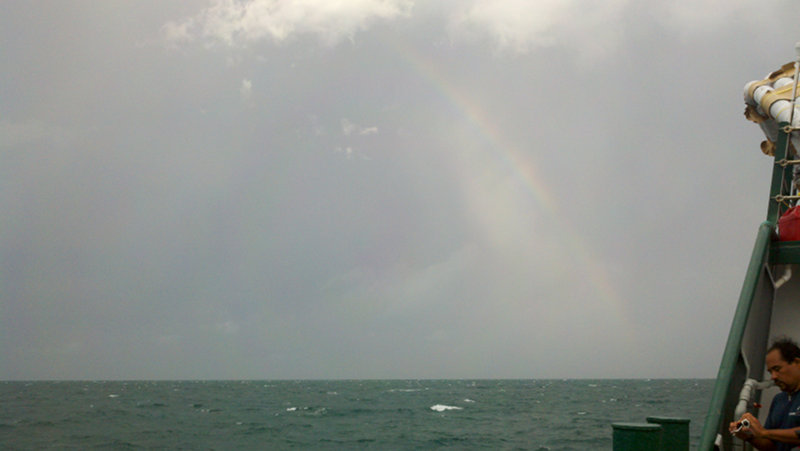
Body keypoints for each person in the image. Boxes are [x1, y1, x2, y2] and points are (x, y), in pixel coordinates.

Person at [730, 337, 800, 450]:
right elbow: (770, 447)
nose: (773, 377)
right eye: (771, 371)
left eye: (777, 369)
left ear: (797, 363)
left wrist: (763, 432)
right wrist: (749, 436)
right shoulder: (779, 400)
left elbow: (766, 433)